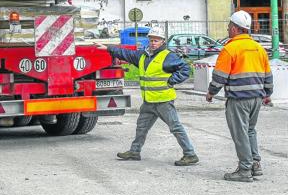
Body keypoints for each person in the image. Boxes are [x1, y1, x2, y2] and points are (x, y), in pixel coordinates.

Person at [95, 27, 199, 166]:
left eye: (156, 40)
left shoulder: (168, 56)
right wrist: (108, 48)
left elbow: (185, 69)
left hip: (163, 101)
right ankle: (134, 151)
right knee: (141, 127)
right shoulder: (143, 56)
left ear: (162, 41)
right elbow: (125, 53)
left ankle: (190, 154)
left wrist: (172, 80)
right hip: (149, 101)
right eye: (151, 40)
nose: (153, 43)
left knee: (175, 127)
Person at [206, 10, 273, 182]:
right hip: (257, 98)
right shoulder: (259, 48)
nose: (228, 29)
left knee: (240, 133)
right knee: (250, 131)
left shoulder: (230, 48)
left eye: (229, 26)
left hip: (238, 99)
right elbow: (268, 75)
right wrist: (267, 94)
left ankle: (244, 170)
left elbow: (220, 76)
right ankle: (255, 165)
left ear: (235, 29)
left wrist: (211, 92)